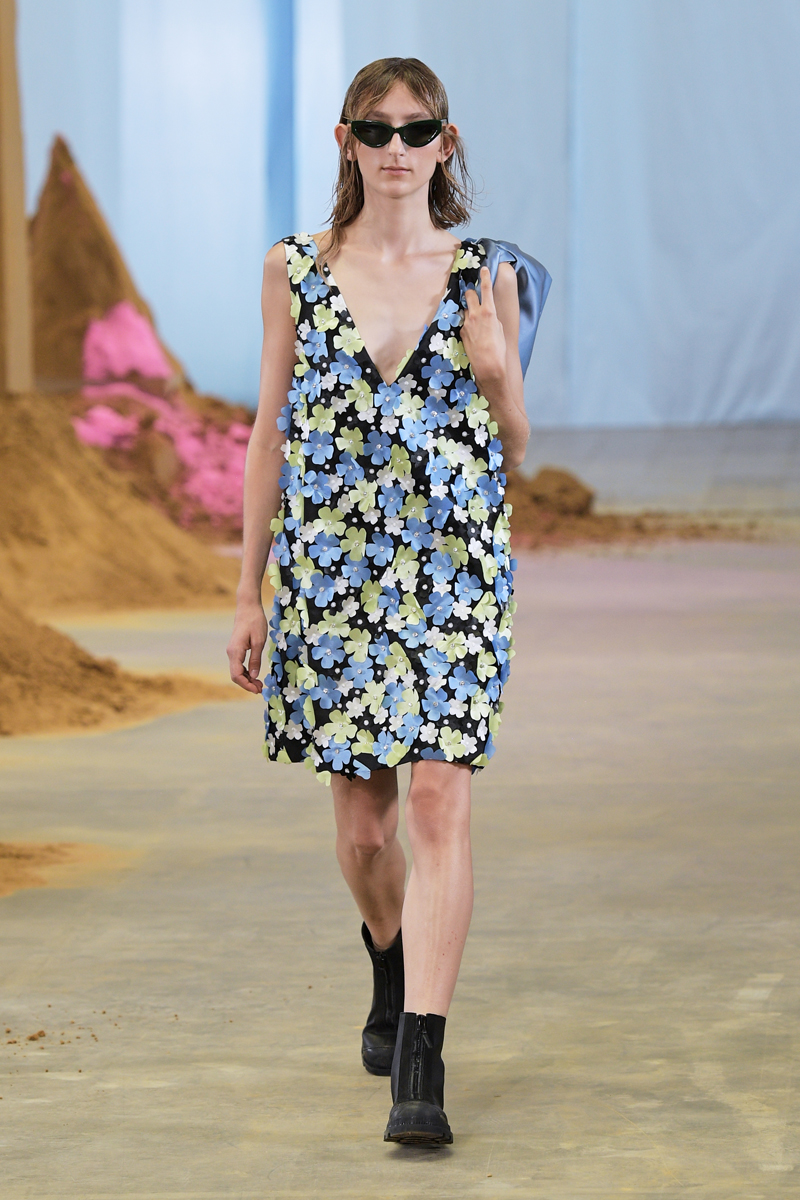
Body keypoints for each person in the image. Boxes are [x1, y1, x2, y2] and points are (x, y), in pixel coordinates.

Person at [227, 57, 549, 1146]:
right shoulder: (293, 269)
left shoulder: (488, 274)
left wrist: (496, 374)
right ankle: (388, 954)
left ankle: (423, 1055)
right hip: (331, 578)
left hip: (454, 570)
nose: (397, 149)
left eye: (417, 131)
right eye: (376, 130)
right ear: (346, 141)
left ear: (446, 144)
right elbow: (267, 433)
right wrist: (246, 592)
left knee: (437, 805)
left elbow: (515, 450)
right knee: (366, 832)